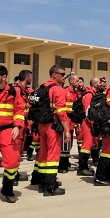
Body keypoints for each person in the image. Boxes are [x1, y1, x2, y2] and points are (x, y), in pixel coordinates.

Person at [0, 65, 25, 207]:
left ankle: (7, 188)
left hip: (8, 132)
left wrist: (17, 126)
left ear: (4, 77)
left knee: (12, 163)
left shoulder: (13, 92)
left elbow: (19, 110)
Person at [35, 65, 71, 196]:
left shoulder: (41, 87)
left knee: (43, 153)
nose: (64, 77)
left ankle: (42, 183)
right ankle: (50, 187)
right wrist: (67, 130)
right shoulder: (58, 90)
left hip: (41, 125)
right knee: (53, 156)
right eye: (62, 74)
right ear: (54, 74)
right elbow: (61, 112)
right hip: (52, 126)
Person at [76, 77, 103, 176]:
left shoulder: (94, 94)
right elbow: (88, 111)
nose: (101, 84)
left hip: (91, 123)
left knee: (92, 144)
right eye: (99, 82)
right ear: (95, 84)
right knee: (86, 146)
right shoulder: (89, 95)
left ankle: (87, 164)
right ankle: (82, 167)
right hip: (88, 124)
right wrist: (93, 123)